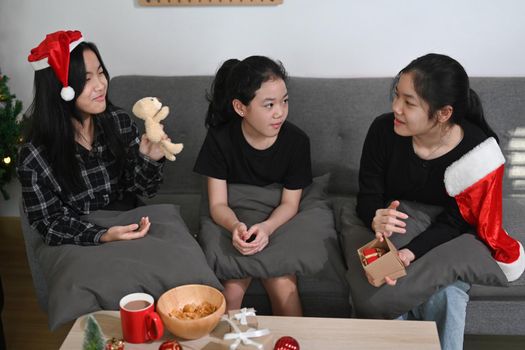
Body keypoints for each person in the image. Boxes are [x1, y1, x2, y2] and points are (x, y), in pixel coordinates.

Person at [356, 53, 524, 350]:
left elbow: (458, 219)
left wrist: (411, 252)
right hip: (392, 222)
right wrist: (375, 216)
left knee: (447, 294)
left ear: (443, 113)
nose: (395, 108)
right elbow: (368, 196)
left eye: (409, 103)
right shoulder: (383, 130)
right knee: (380, 294)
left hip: (447, 230)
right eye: (397, 96)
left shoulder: (477, 152)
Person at [17, 30, 167, 245]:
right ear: (61, 89)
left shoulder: (118, 121)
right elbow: (48, 222)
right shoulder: (34, 156)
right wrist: (102, 235)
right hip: (79, 237)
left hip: (129, 221)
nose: (101, 85)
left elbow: (144, 190)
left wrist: (150, 159)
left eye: (100, 72)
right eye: (87, 79)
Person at [194, 56, 312, 316]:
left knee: (283, 284)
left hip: (277, 217)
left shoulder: (297, 142)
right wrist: (236, 227)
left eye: (284, 101)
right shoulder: (220, 139)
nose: (279, 112)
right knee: (231, 289)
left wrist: (267, 228)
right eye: (269, 105)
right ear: (240, 107)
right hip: (231, 215)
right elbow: (218, 204)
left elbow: (290, 203)